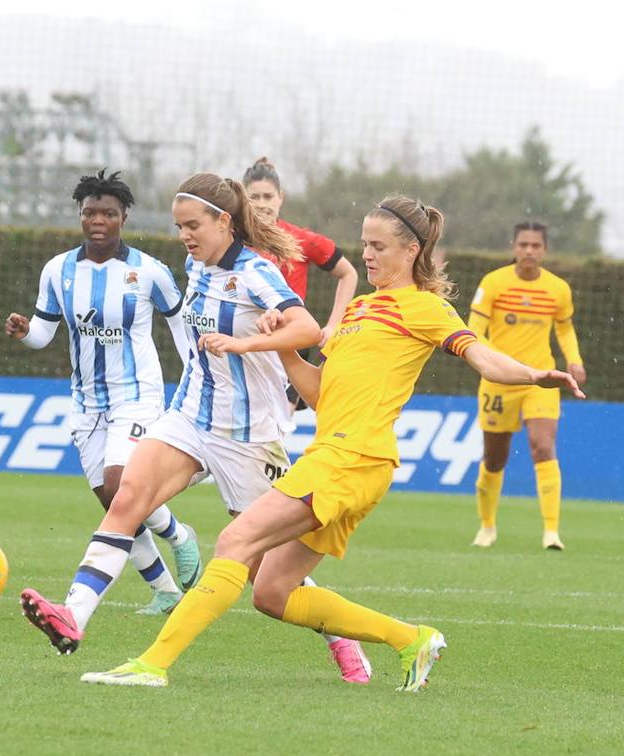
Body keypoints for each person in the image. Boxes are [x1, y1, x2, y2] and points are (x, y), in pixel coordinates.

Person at [79, 196, 584, 690]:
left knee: (236, 542)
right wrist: (288, 348)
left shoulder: (426, 308)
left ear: (411, 252)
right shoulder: (361, 308)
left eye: (379, 246)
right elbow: (322, 395)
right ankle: (412, 639)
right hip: (338, 454)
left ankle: (151, 664)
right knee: (273, 592)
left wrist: (534, 374)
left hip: (354, 457)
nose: (367, 254)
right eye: (364, 244)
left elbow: (484, 358)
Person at [19, 172, 377, 683]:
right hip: (188, 416)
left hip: (247, 435)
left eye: (192, 226)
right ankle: (72, 614)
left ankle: (342, 639)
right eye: (179, 226)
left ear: (224, 223)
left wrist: (245, 344)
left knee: (264, 570)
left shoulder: (256, 272)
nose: (184, 236)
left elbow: (306, 328)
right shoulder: (195, 264)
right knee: (127, 498)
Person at [4, 170, 201, 617]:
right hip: (86, 402)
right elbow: (43, 333)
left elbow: (180, 328)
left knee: (122, 485)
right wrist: (24, 332)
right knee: (112, 502)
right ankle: (166, 590)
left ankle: (178, 535)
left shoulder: (149, 271)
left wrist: (196, 379)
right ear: (80, 216)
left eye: (108, 213)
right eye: (90, 212)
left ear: (123, 217)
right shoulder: (58, 270)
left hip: (137, 395)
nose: (98, 220)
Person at [467, 222, 587, 551]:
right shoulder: (493, 283)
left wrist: (573, 360)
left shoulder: (558, 288)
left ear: (545, 250)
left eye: (536, 245)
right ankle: (487, 526)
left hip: (542, 378)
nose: (529, 251)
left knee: (542, 446)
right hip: (500, 378)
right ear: (513, 246)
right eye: (523, 245)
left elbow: (564, 328)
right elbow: (473, 329)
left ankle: (551, 532)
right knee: (494, 458)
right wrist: (495, 360)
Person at [242, 158, 358, 346]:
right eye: (254, 197)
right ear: (243, 200)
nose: (262, 204)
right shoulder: (232, 242)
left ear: (281, 197)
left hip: (291, 347)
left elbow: (348, 273)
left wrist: (333, 325)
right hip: (247, 345)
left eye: (268, 196)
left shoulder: (301, 240)